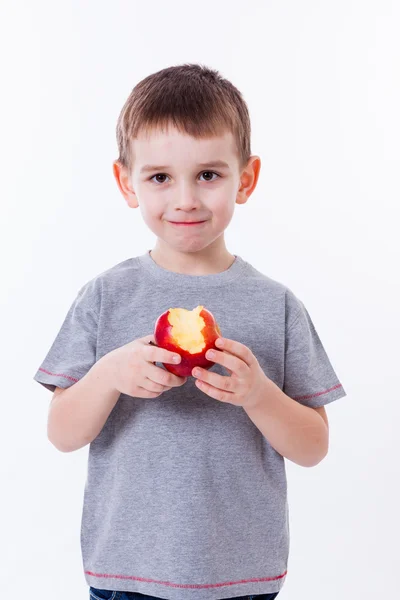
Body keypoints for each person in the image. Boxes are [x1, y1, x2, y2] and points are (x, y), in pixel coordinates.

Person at [33, 64, 347, 600]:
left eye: (208, 175)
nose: (185, 199)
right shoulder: (105, 296)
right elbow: (62, 433)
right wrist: (108, 374)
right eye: (159, 177)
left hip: (242, 574)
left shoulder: (276, 304)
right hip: (126, 573)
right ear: (125, 182)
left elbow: (314, 446)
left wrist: (259, 394)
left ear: (245, 179)